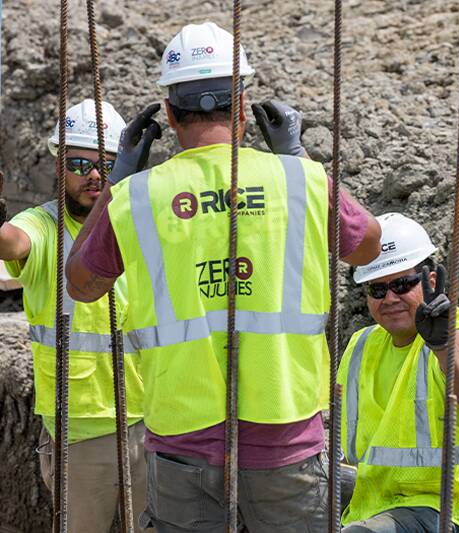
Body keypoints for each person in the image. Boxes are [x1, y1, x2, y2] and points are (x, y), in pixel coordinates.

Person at [64, 22, 381, 532]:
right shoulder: (299, 180)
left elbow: (81, 284)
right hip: (285, 434)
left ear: (168, 114)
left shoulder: (137, 197)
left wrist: (118, 180)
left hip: (181, 437)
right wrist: (297, 159)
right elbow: (368, 248)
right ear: (243, 105)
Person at [0, 99, 147, 532]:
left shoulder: (141, 222)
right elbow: (12, 243)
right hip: (80, 431)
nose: (94, 174)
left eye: (107, 163)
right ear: (59, 165)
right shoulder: (44, 225)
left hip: (154, 419)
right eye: (80, 162)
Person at [337, 213, 459, 533]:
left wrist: (444, 347)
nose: (389, 298)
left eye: (402, 284)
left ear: (431, 282)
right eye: (377, 290)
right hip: (378, 504)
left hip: (451, 512)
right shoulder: (361, 346)